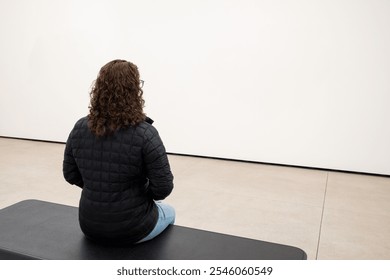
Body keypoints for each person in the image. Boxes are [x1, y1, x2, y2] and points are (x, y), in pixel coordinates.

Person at [63, 59, 175, 245]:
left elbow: (70, 174)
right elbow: (163, 187)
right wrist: (139, 194)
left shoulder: (80, 127)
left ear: (98, 88)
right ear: (134, 91)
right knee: (169, 211)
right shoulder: (145, 132)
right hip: (133, 228)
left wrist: (100, 187)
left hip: (90, 225)